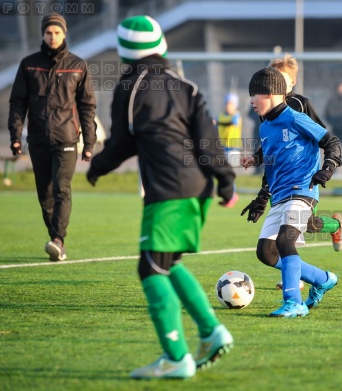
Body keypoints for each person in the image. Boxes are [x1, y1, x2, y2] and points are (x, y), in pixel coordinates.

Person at [86, 15, 235, 379]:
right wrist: (225, 179)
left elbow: (122, 143)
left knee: (150, 267)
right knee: (168, 262)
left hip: (167, 189)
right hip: (197, 188)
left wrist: (97, 166)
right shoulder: (187, 86)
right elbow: (208, 139)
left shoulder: (130, 87)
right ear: (161, 45)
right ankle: (212, 332)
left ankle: (176, 357)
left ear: (125, 52)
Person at [240, 67, 342, 318]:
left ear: (273, 94)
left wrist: (327, 169)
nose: (251, 101)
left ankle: (293, 301)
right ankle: (323, 279)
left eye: (255, 95)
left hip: (303, 191)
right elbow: (271, 158)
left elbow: (331, 142)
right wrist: (261, 196)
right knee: (266, 252)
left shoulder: (295, 117)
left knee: (286, 241)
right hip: (280, 196)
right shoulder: (265, 127)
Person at [8, 13, 96, 262]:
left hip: (67, 139)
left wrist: (89, 143)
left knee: (61, 188)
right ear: (43, 35)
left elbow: (88, 107)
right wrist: (15, 136)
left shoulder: (78, 65)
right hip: (37, 140)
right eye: (49, 32)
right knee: (44, 194)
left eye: (57, 32)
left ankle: (57, 239)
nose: (53, 36)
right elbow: (17, 104)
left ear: (64, 34)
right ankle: (57, 242)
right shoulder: (28, 65)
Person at [247, 54, 342, 253]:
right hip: (280, 181)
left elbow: (322, 136)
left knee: (297, 229)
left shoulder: (300, 106)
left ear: (292, 82)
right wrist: (256, 159)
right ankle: (334, 227)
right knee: (301, 227)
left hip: (303, 178)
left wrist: (325, 167)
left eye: (280, 80)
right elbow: (272, 146)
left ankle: (297, 276)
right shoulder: (266, 111)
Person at [217, 92, 242, 206]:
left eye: (231, 104)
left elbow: (232, 123)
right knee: (223, 172)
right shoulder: (220, 115)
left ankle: (231, 195)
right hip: (222, 147)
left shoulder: (236, 116)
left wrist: (217, 122)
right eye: (227, 104)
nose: (228, 106)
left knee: (229, 172)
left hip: (233, 147)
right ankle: (230, 194)